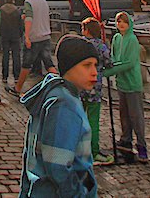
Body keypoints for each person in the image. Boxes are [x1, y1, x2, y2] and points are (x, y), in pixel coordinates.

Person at [18, 34, 99, 198]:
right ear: (70, 67)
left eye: (95, 65)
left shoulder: (57, 94)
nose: (94, 72)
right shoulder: (64, 105)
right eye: (87, 65)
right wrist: (76, 193)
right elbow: (58, 164)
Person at [101, 11, 147, 162]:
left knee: (136, 116)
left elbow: (130, 62)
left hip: (132, 83)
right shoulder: (116, 38)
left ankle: (141, 145)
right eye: (119, 21)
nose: (121, 24)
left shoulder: (132, 40)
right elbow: (114, 57)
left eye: (124, 22)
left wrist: (110, 71)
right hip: (121, 83)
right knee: (124, 114)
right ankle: (126, 138)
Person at [9, 0, 57, 96]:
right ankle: (59, 85)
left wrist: (26, 36)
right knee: (49, 64)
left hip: (34, 37)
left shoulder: (29, 2)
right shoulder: (44, 2)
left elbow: (29, 19)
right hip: (45, 36)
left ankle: (18, 88)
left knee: (26, 64)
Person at [80, 18, 114, 166]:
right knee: (93, 120)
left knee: (79, 118)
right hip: (95, 86)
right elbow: (109, 63)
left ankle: (78, 149)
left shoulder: (80, 44)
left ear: (86, 30)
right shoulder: (101, 46)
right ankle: (93, 151)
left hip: (80, 85)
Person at [0, 0, 22, 88]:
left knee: (5, 55)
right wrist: (20, 34)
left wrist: (0, 33)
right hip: (15, 35)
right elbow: (20, 24)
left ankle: (5, 76)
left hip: (5, 35)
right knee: (16, 56)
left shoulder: (1, 10)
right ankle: (17, 76)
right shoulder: (17, 11)